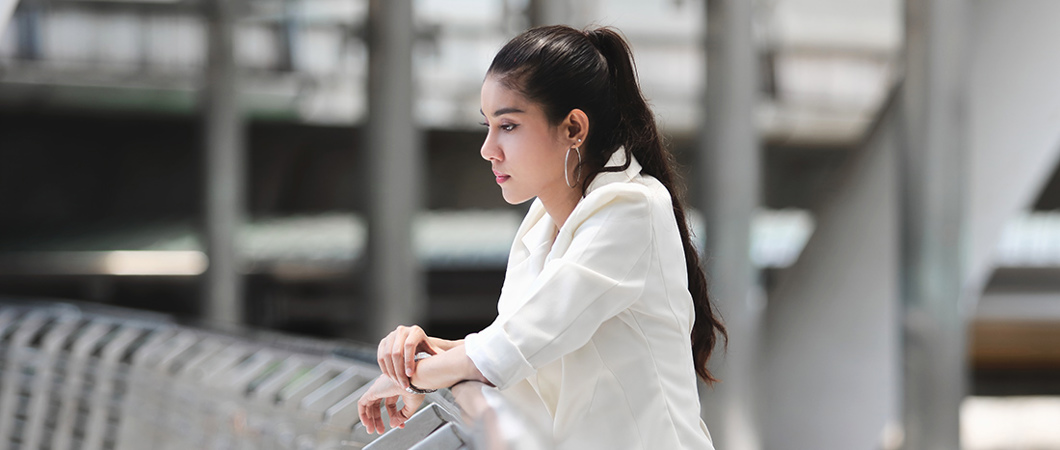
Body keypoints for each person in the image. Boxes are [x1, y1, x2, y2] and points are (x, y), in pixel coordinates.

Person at [357, 25, 726, 449]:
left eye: (508, 126)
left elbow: (515, 346)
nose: (488, 148)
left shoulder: (634, 208)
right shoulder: (540, 222)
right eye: (488, 126)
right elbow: (518, 352)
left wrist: (413, 375)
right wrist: (420, 354)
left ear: (573, 128)